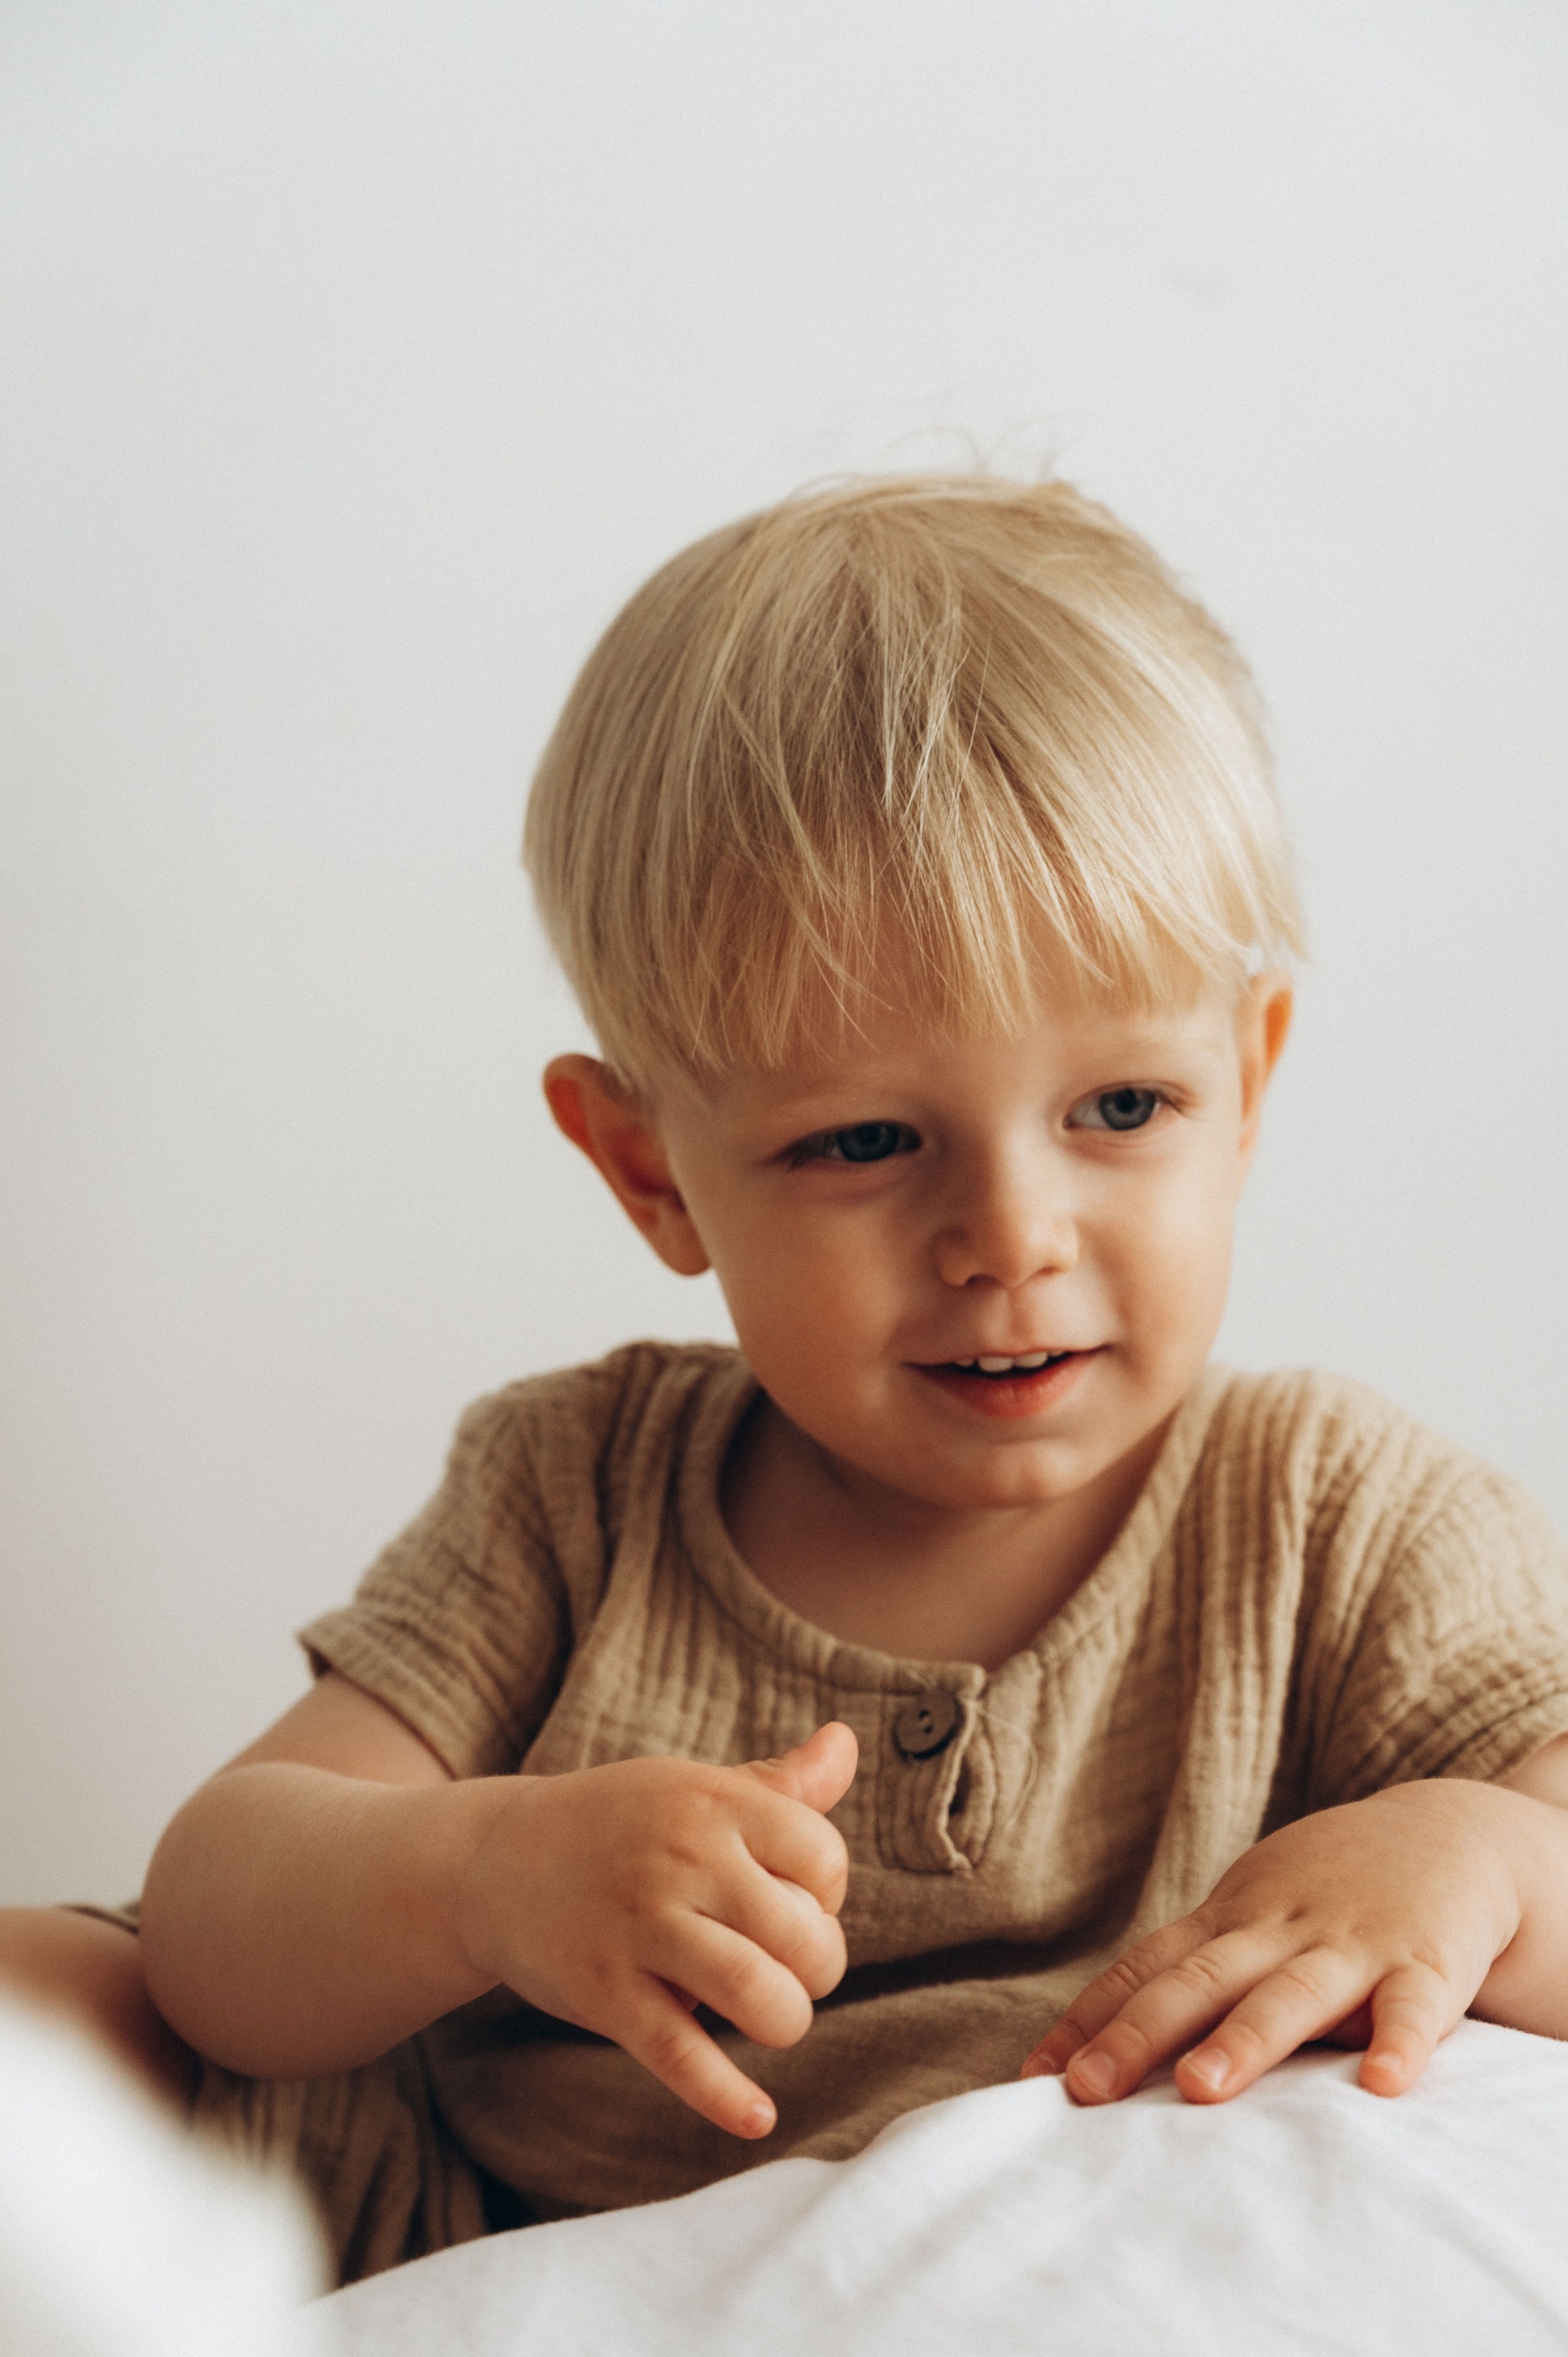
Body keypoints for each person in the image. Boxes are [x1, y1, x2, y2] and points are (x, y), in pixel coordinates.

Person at [6, 475, 1568, 2284]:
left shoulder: (1339, 1516)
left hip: (1073, 2249)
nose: (1012, 1233)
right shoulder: (574, 1485)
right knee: (56, 1990)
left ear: (1251, 1080)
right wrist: (484, 1877)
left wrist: (1484, 1858)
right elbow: (216, 1912)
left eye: (1122, 1109)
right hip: (478, 2215)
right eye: (867, 1141)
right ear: (651, 1169)